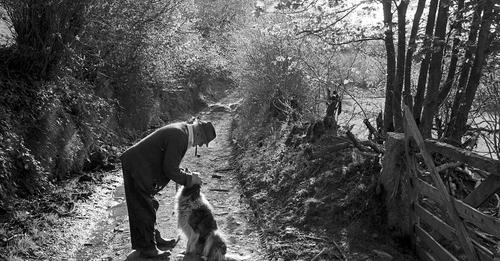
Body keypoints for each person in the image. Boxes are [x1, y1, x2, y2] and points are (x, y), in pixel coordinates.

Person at [120, 119, 217, 258]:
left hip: (140, 165)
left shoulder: (182, 131)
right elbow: (170, 169)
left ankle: (152, 238)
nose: (201, 144)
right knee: (143, 207)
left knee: (151, 204)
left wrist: (187, 175)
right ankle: (148, 249)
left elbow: (170, 162)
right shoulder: (179, 136)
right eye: (203, 140)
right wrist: (189, 179)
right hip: (136, 166)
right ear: (198, 132)